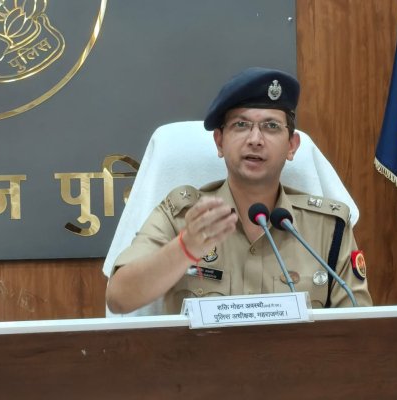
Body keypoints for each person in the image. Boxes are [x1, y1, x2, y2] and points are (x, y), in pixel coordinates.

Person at [106, 67, 372, 314]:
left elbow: (359, 327)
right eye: (241, 125)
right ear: (219, 142)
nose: (255, 140)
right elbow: (119, 298)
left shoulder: (328, 227)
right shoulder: (181, 216)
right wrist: (185, 248)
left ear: (292, 146)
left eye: (271, 126)